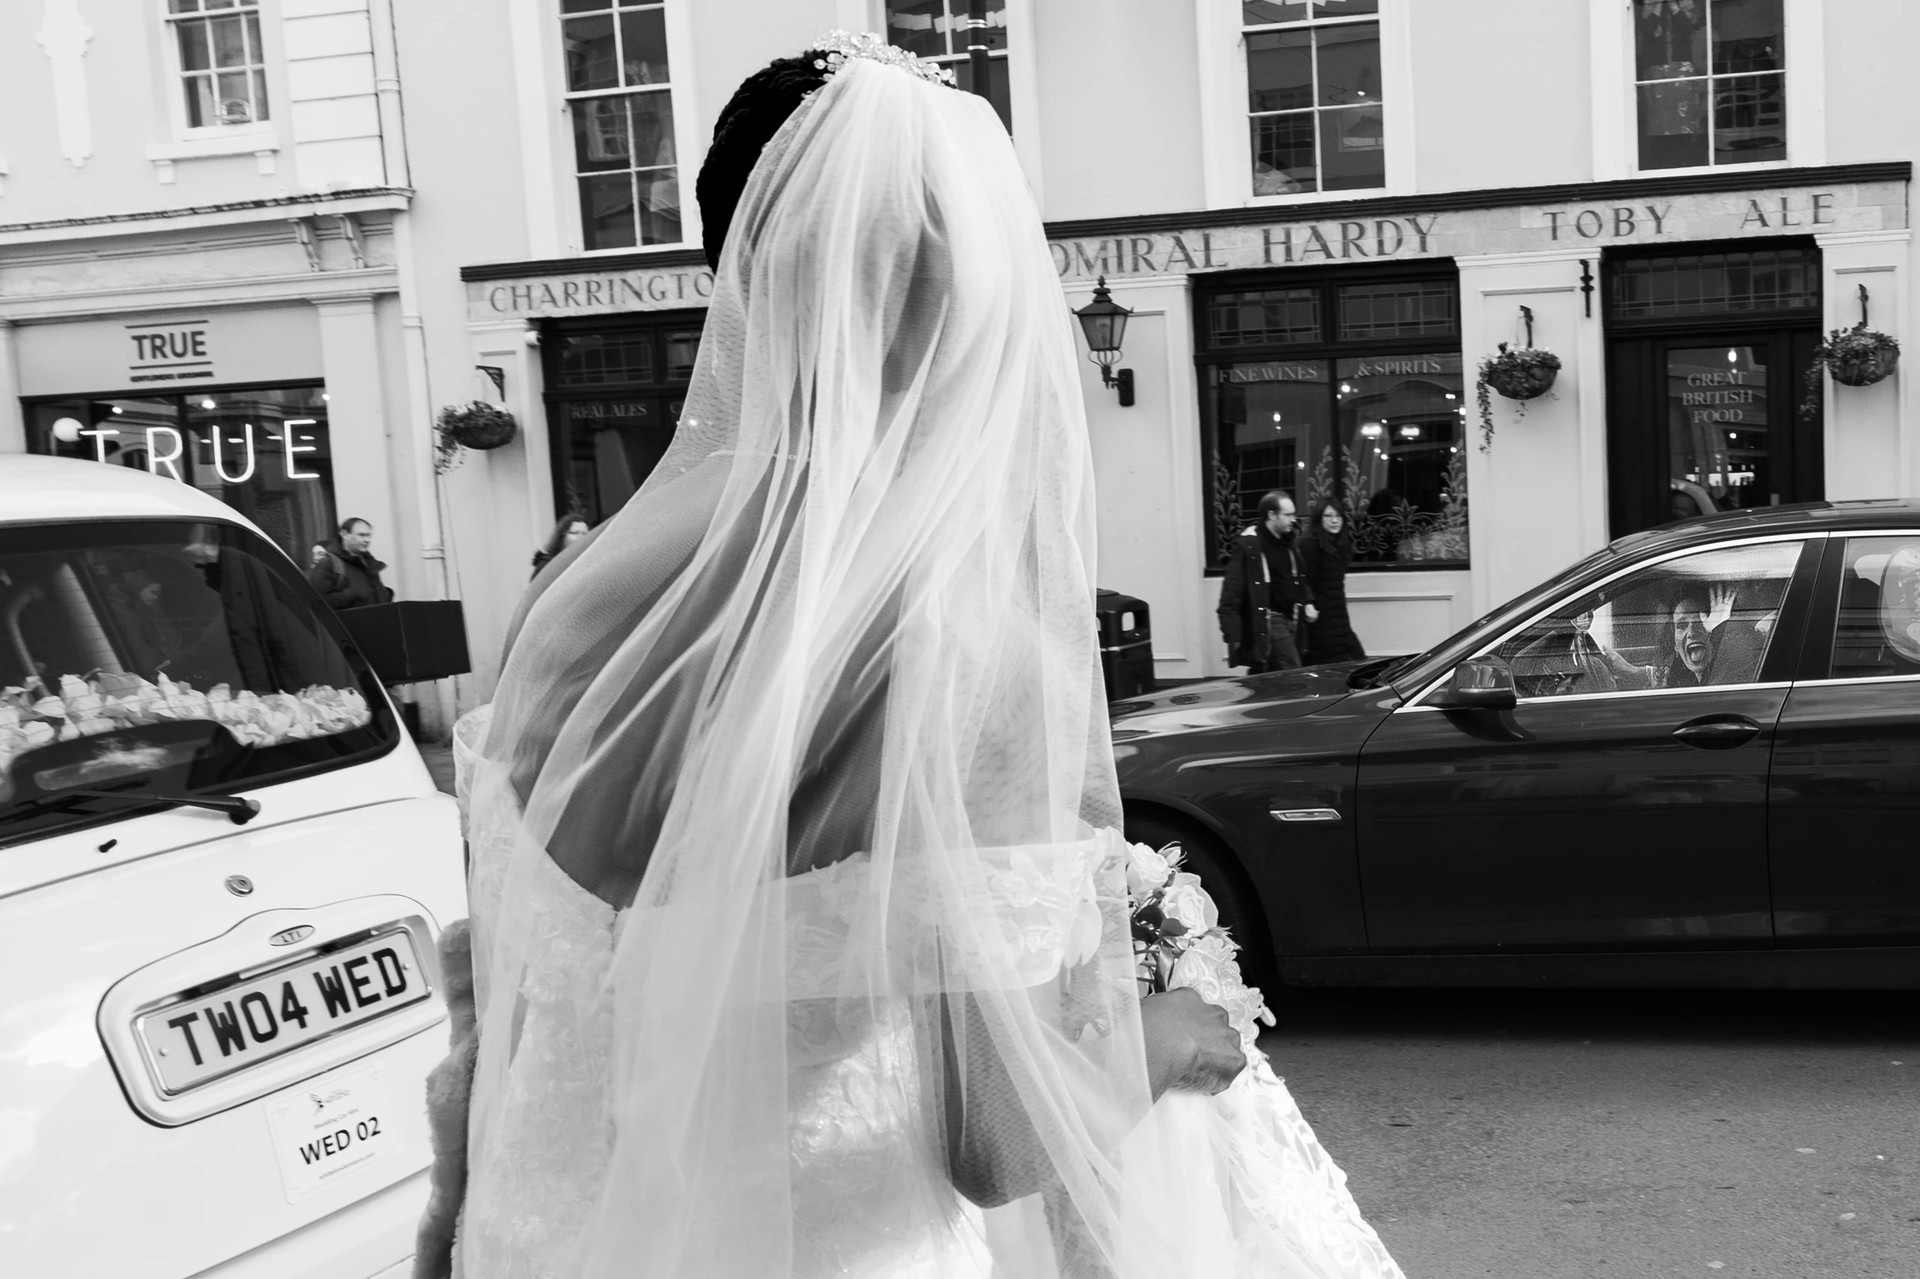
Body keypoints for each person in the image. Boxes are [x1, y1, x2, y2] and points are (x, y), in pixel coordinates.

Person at [423, 35, 1402, 1279]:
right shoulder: (968, 657)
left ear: (726, 265)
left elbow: (513, 1002)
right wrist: (1173, 1035)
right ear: (976, 299)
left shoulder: (569, 600)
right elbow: (998, 1138)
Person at [1216, 491, 1317, 673]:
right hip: (1270, 619)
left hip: (1291, 616)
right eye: (1288, 515)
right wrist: (1233, 633)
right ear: (1272, 515)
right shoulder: (1250, 546)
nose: (1293, 520)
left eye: (1294, 514)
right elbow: (1231, 591)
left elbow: (1298, 578)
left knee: (1268, 671)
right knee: (1292, 669)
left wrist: (1307, 601)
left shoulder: (1288, 542)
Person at [1299, 499, 1367, 664]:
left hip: (1339, 617)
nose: (1334, 520)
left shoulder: (1340, 545)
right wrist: (1309, 603)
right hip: (1320, 619)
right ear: (1319, 519)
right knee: (1333, 665)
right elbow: (1304, 580)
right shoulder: (1311, 544)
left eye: (1338, 516)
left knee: (1356, 659)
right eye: (1328, 516)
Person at [307, 517, 393, 609]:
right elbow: (315, 603)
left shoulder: (369, 563)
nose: (367, 540)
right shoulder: (329, 563)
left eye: (369, 535)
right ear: (344, 534)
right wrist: (351, 595)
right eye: (361, 535)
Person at [529, 513, 591, 579]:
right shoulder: (547, 565)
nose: (581, 537)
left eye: (585, 534)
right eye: (574, 533)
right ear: (562, 537)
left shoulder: (589, 561)